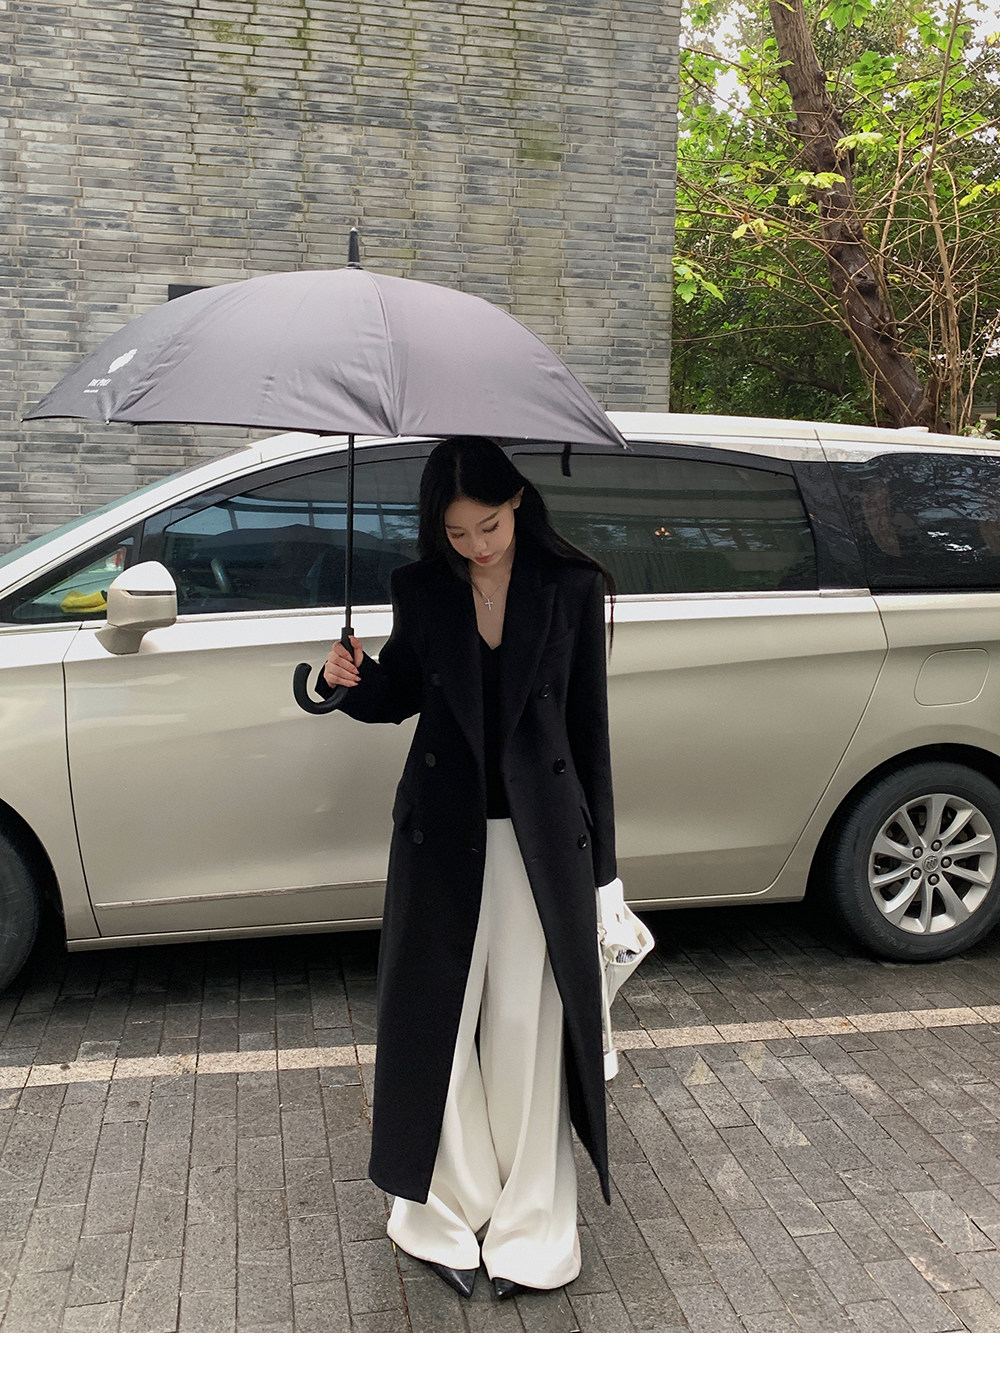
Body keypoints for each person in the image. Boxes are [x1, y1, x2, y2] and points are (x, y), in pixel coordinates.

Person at [319, 435, 620, 1301]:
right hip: (439, 838)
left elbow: (589, 734)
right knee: (437, 1026)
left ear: (516, 500)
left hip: (539, 845)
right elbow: (401, 693)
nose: (476, 546)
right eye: (456, 533)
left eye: (488, 525)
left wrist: (605, 873)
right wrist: (348, 679)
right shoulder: (422, 587)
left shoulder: (571, 587)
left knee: (527, 1027)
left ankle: (532, 1226)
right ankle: (442, 1213)